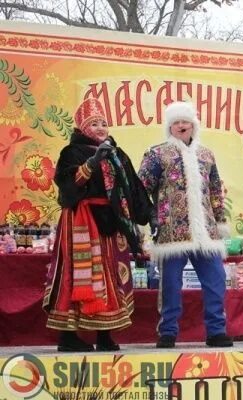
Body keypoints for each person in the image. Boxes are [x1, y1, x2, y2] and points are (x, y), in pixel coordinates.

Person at [44, 97, 153, 352]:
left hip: (111, 222)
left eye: (104, 123)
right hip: (82, 222)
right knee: (78, 276)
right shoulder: (71, 152)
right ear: (83, 128)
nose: (101, 128)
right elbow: (66, 183)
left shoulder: (117, 153)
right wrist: (91, 164)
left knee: (111, 276)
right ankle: (68, 337)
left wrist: (148, 213)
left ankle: (105, 334)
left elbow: (133, 186)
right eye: (94, 124)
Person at [138, 101, 233, 348]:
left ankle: (216, 331)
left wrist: (220, 222)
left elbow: (215, 192)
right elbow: (140, 190)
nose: (181, 126)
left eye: (185, 121)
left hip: (206, 232)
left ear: (193, 125)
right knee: (170, 284)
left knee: (216, 280)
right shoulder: (157, 154)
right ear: (170, 126)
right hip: (172, 232)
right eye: (176, 122)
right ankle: (168, 331)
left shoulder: (206, 154)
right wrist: (151, 217)